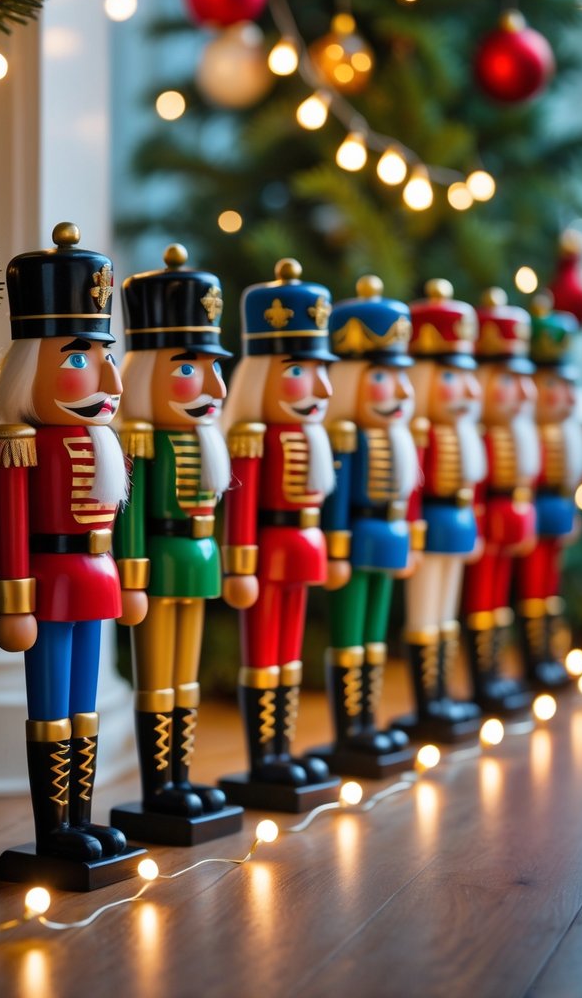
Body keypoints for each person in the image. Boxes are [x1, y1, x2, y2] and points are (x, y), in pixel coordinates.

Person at [0, 222, 146, 887]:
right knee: (50, 703)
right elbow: (8, 525)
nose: (107, 375)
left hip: (97, 576)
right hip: (47, 581)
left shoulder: (110, 441)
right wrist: (11, 604)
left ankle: (82, 816)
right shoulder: (17, 443)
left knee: (85, 702)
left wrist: (127, 579)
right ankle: (54, 828)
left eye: (105, 356)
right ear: (32, 368)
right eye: (80, 357)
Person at [109, 244, 244, 845]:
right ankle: (158, 785)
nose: (214, 384)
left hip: (199, 557)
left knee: (184, 674)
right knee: (155, 674)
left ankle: (181, 775)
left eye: (214, 367)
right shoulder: (140, 440)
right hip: (160, 560)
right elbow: (130, 513)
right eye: (190, 368)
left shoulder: (206, 442)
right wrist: (131, 575)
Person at [219, 258, 344, 811]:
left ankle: (283, 748)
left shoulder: (314, 436)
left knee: (289, 650)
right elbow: (241, 508)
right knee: (263, 650)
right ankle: (263, 756)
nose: (318, 386)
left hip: (304, 546)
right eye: (298, 371)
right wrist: (239, 564)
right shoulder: (250, 435)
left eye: (321, 370)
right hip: (266, 552)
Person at [305, 275, 422, 776]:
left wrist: (411, 538)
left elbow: (407, 492)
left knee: (376, 634)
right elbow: (335, 502)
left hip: (388, 538)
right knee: (350, 634)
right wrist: (335, 551)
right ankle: (349, 726)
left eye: (399, 376)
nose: (396, 390)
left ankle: (368, 720)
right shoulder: (346, 438)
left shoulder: (399, 438)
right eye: (379, 377)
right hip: (353, 544)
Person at [391, 279, 487, 742]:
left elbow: (476, 482)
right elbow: (411, 488)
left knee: (447, 609)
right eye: (450, 376)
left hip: (459, 523)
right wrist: (412, 532)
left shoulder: (466, 432)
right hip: (429, 527)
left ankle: (444, 692)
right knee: (425, 610)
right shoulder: (421, 432)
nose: (467, 389)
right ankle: (427, 698)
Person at [461, 289, 538, 715]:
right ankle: (481, 677)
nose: (523, 393)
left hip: (509, 518)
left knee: (501, 594)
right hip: (484, 519)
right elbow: (474, 485)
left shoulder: (517, 434)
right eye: (508, 381)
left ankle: (496, 673)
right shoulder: (481, 436)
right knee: (481, 595)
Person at [514, 296, 582, 687]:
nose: (565, 397)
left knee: (549, 586)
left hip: (556, 511)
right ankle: (531, 660)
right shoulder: (523, 435)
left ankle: (547, 654)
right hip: (531, 514)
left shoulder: (566, 434)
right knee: (529, 585)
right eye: (553, 385)